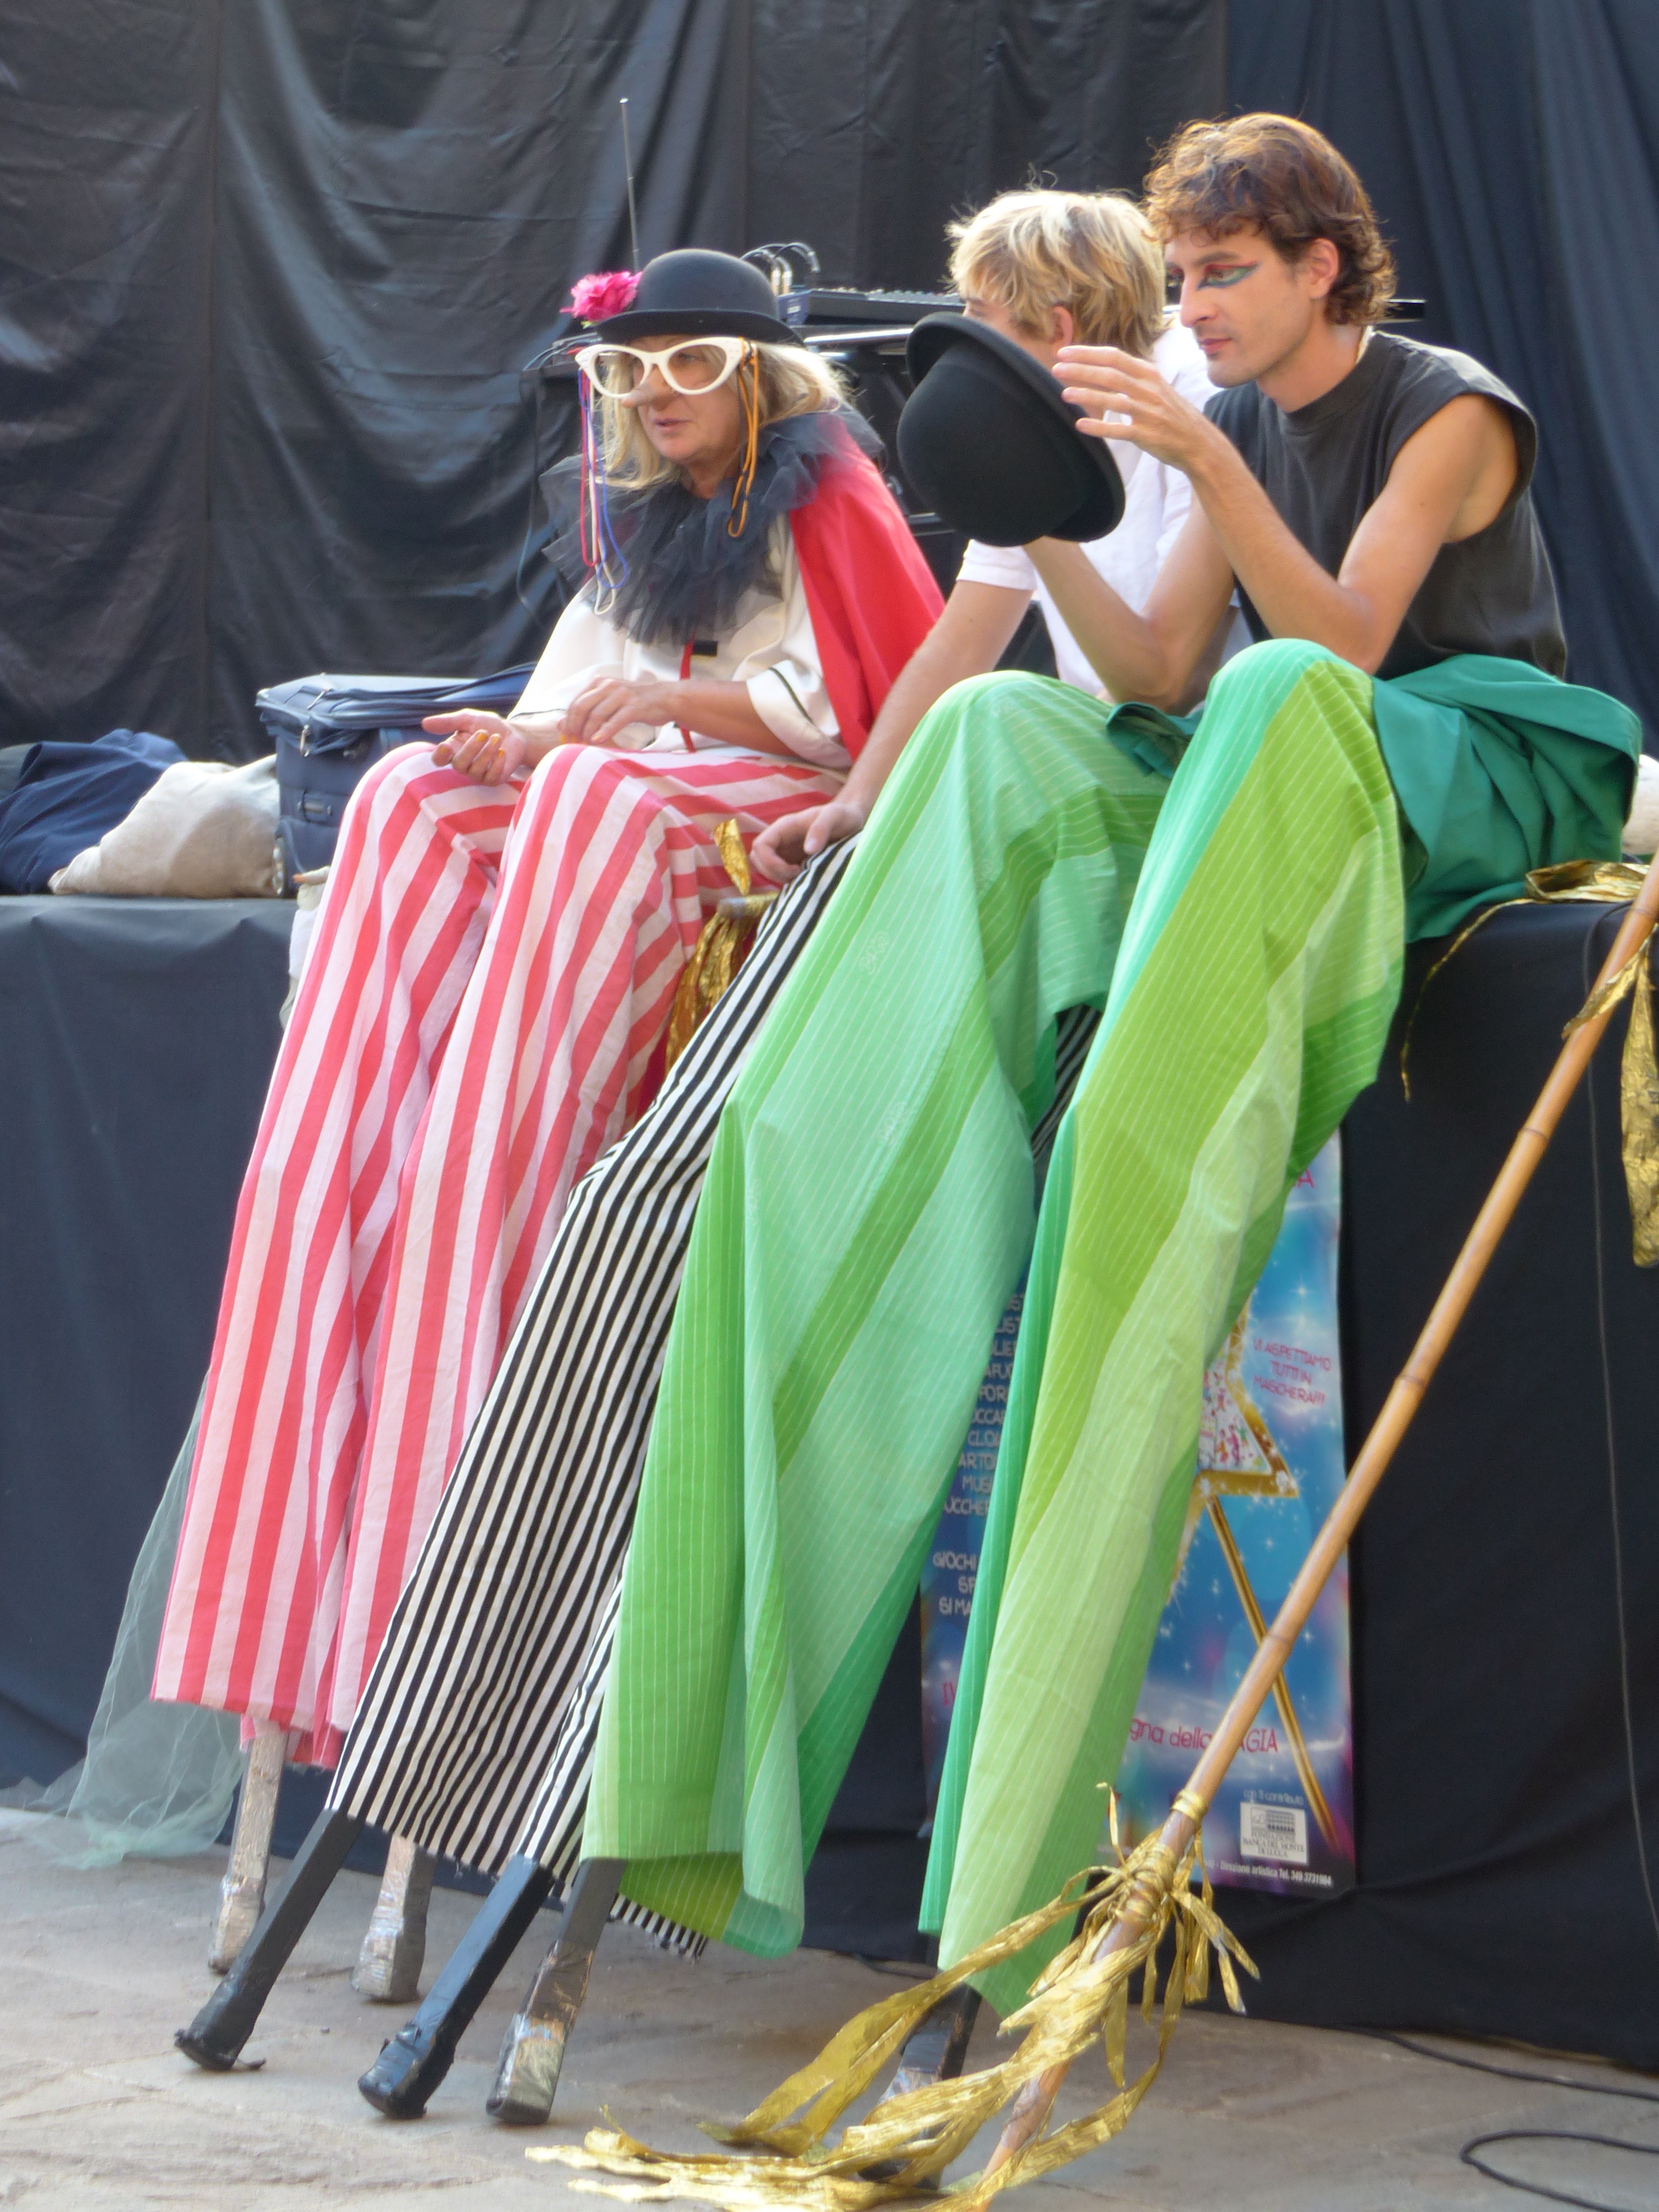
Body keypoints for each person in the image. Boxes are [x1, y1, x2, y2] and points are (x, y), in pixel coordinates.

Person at [578, 115, 1639, 2021]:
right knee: (1005, 726)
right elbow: (1148, 675)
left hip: (1465, 748)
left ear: (1322, 267)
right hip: (1286, 748)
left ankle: (1147, 1127)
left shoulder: (1445, 407)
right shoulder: (1224, 421)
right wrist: (1050, 513)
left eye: (1228, 273)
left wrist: (1202, 464)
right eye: (1187, 272)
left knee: (1275, 685)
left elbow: (1342, 645)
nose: (1198, 305)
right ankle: (864, 1137)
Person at [152, 249, 941, 1766]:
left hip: (787, 824)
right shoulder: (645, 515)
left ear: (760, 375)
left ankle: (508, 1137)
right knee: (402, 796)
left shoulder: (829, 496)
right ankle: (371, 1127)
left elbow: (875, 713)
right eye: (630, 369)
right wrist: (512, 743)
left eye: (688, 364)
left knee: (584, 791)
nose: (655, 392)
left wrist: (657, 716)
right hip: (622, 803)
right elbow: (582, 697)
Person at [752, 186, 1245, 884]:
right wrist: (859, 803)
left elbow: (1167, 686)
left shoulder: (1199, 405)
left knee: (987, 721)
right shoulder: (1044, 410)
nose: (966, 337)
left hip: (1202, 771)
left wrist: (1030, 756)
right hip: (1100, 752)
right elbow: (961, 642)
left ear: (1060, 328)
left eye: (980, 316)